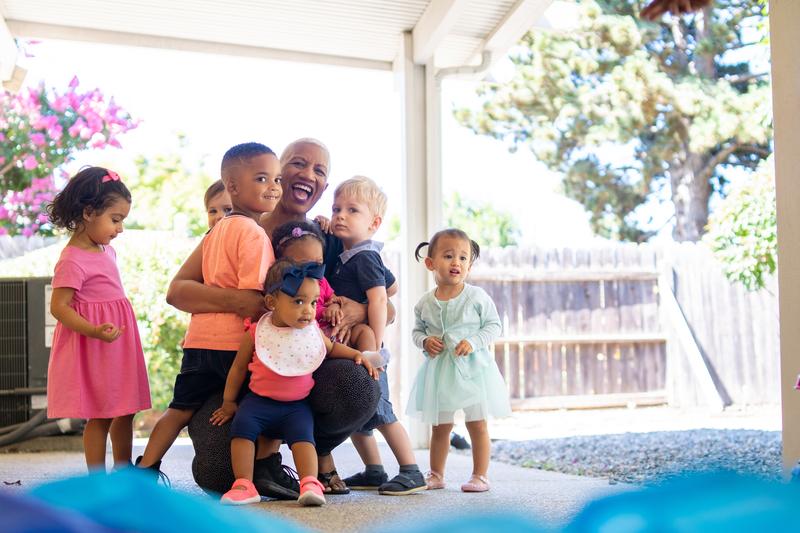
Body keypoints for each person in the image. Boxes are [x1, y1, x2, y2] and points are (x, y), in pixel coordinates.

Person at [167, 138, 381, 497]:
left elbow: (380, 294)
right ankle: (263, 462)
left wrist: (357, 309)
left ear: (323, 187)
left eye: (319, 170)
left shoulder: (325, 237)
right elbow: (178, 291)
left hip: (301, 372)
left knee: (359, 386)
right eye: (297, 164)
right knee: (219, 473)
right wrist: (246, 302)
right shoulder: (237, 226)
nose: (306, 175)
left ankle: (304, 454)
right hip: (234, 369)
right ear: (279, 172)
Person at [136, 142, 280, 477]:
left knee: (178, 410)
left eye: (277, 179)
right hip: (233, 345)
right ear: (232, 187)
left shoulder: (214, 233)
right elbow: (252, 299)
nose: (273, 187)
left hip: (198, 342)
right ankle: (259, 470)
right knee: (261, 404)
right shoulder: (254, 234)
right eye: (262, 178)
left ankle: (145, 467)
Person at [211, 260, 379, 506]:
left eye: (313, 302)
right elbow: (238, 368)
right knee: (241, 431)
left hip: (296, 407)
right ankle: (243, 484)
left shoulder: (312, 332)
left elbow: (331, 349)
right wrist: (228, 402)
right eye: (298, 302)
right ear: (272, 303)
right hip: (257, 403)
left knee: (304, 439)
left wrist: (356, 354)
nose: (309, 311)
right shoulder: (257, 331)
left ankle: (309, 482)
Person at [324, 176, 425, 496]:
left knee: (380, 410)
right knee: (361, 414)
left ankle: (411, 471)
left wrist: (376, 347)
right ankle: (374, 469)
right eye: (337, 208)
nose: (341, 215)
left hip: (368, 348)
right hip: (353, 346)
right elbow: (392, 284)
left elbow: (382, 298)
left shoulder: (364, 256)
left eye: (352, 210)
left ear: (374, 223)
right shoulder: (349, 253)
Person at [45, 166, 151, 471]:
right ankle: (97, 478)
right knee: (101, 413)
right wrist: (93, 330)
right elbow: (60, 307)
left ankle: (123, 469)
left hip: (117, 340)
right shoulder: (72, 259)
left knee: (126, 408)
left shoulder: (106, 249)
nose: (119, 229)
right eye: (115, 220)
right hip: (96, 343)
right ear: (89, 212)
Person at [408, 228, 511, 493]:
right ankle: (436, 474)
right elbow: (417, 331)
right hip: (441, 371)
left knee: (477, 424)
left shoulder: (476, 297)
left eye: (463, 258)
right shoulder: (424, 303)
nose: (457, 262)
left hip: (473, 370)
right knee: (440, 426)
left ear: (469, 265)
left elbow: (493, 325)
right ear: (430, 263)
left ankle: (480, 475)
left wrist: (474, 341)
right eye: (449, 256)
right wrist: (424, 341)